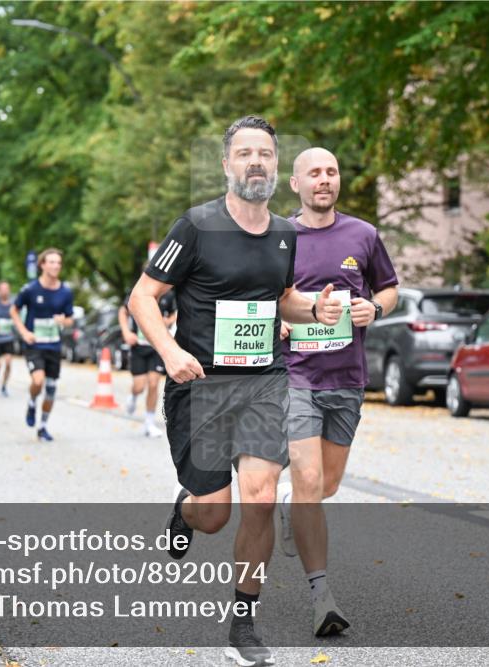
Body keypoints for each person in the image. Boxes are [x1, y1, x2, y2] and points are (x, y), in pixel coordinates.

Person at [128, 115, 342, 667]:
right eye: (244, 153)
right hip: (199, 384)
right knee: (214, 513)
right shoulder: (195, 227)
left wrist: (313, 309)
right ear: (226, 164)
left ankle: (243, 622)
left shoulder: (286, 234)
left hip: (264, 381)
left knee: (262, 497)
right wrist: (171, 352)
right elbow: (143, 298)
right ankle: (186, 510)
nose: (255, 162)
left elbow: (284, 299)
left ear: (275, 165)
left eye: (265, 154)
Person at [275, 147, 399, 637]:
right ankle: (321, 596)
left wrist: (376, 308)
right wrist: (278, 321)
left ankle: (292, 506)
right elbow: (262, 296)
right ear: (296, 183)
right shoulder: (278, 237)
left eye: (330, 172)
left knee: (325, 486)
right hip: (296, 376)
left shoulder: (363, 234)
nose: (323, 180)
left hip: (347, 379)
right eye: (314, 173)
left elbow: (388, 288)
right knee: (308, 480)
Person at [10, 248, 74, 442]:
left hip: (53, 345)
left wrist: (63, 321)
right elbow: (14, 310)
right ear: (42, 265)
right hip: (35, 344)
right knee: (38, 381)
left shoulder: (65, 292)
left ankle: (43, 426)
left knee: (52, 388)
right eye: (51, 262)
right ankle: (31, 402)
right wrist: (24, 332)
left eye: (58, 263)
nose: (55, 266)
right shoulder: (30, 289)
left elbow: (70, 319)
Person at [119, 283, 176, 437]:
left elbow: (175, 313)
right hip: (138, 346)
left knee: (153, 383)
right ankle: (133, 396)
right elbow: (123, 312)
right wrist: (126, 332)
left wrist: (169, 321)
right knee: (139, 386)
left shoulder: (168, 295)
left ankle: (149, 424)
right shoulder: (137, 291)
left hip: (157, 347)